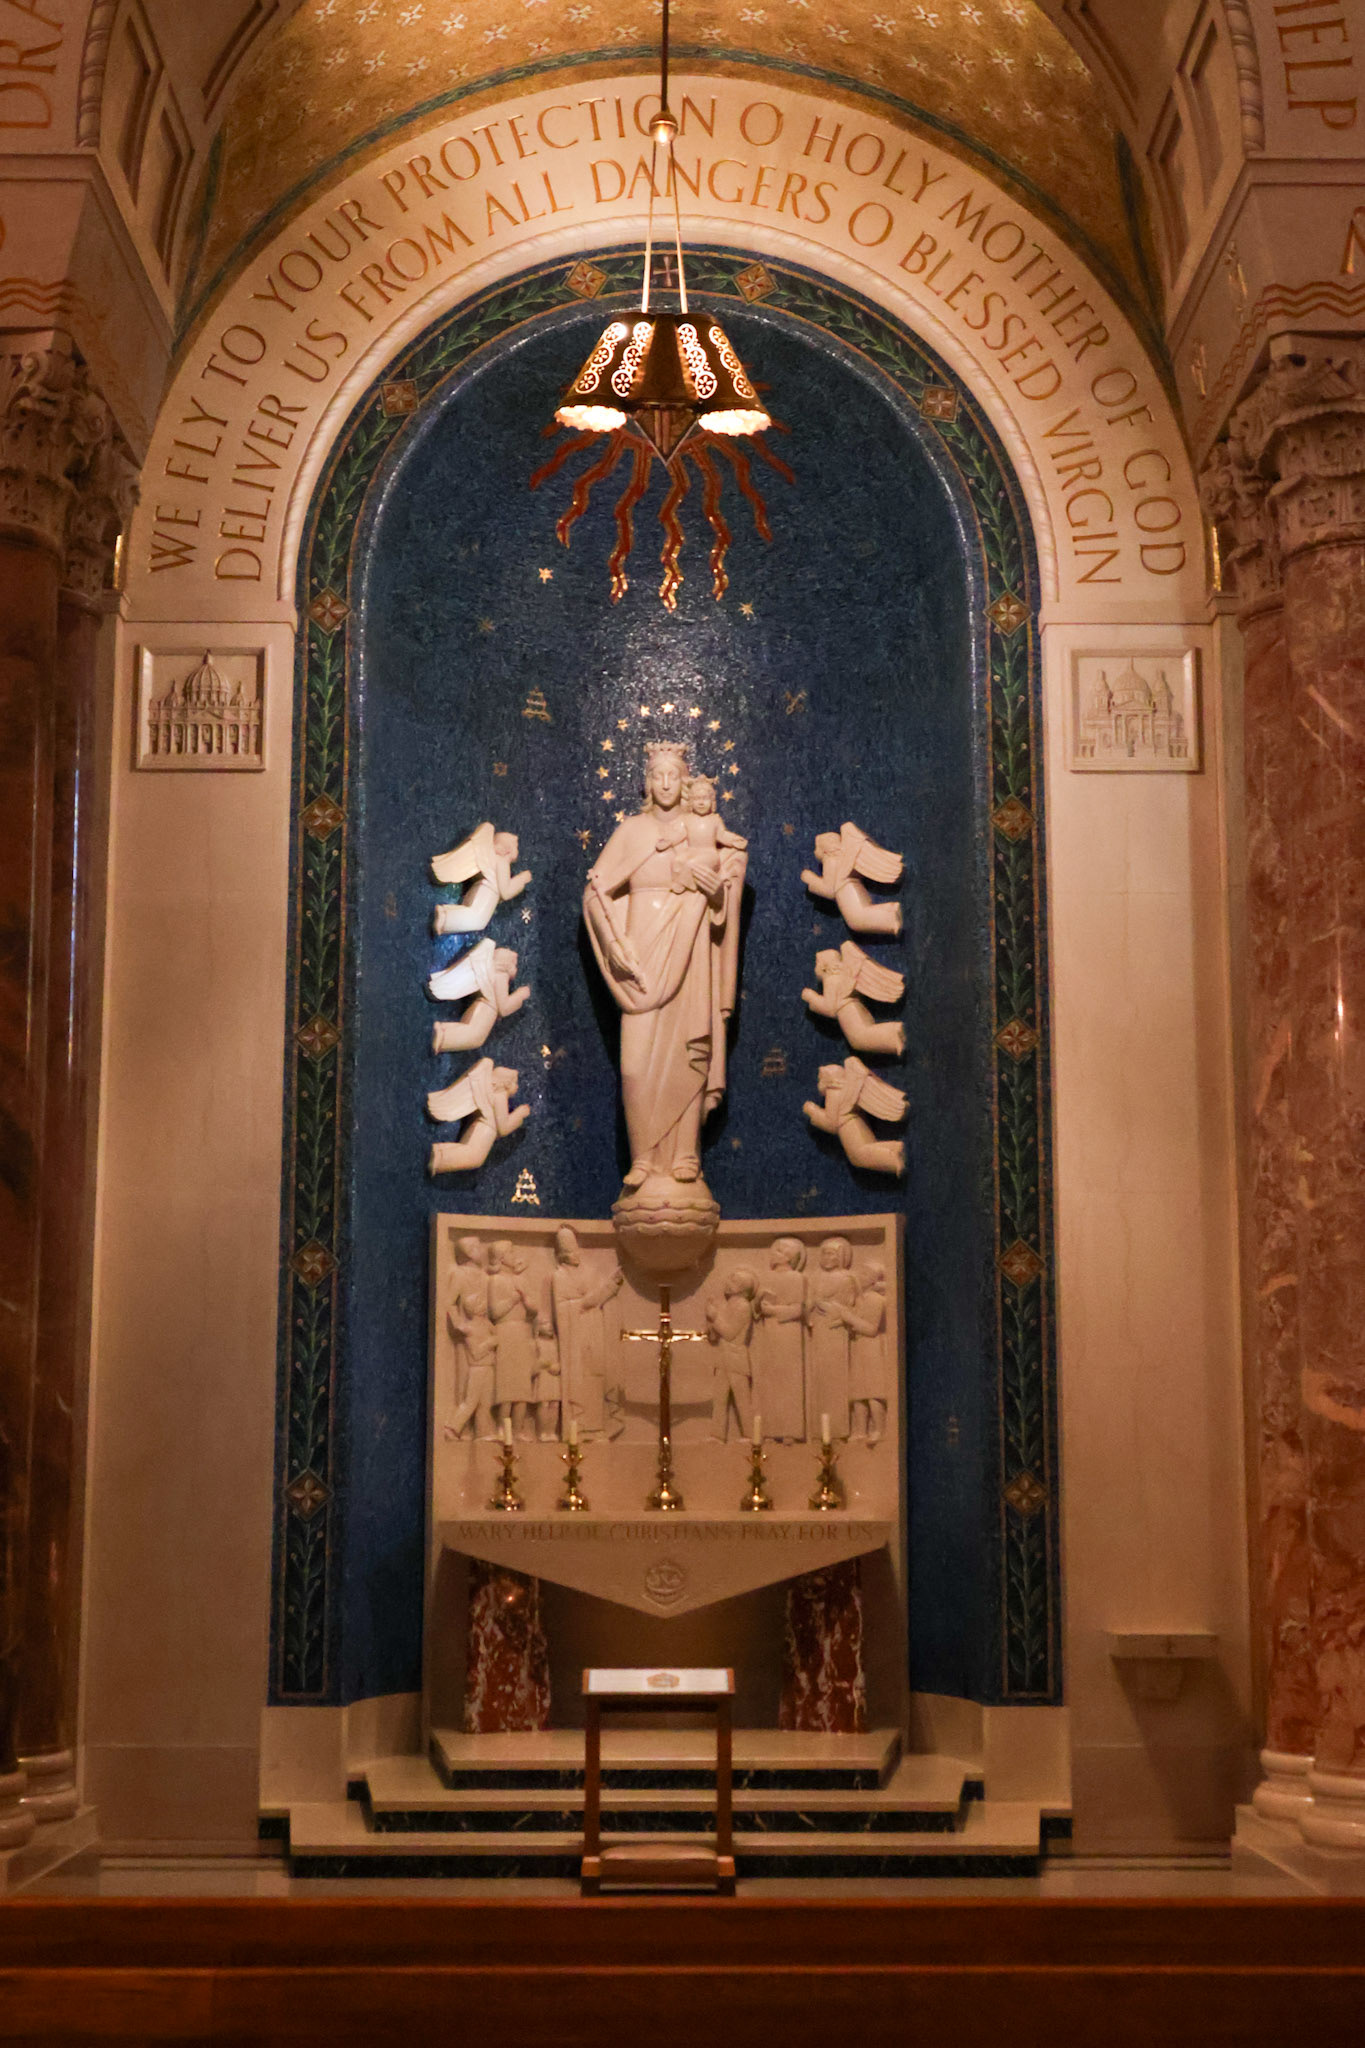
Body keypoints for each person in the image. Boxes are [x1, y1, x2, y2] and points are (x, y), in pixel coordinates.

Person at [583, 743, 747, 1189]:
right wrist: (612, 945)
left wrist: (716, 892)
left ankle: (686, 1153)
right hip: (640, 952)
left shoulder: (702, 831)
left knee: (688, 1051)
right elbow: (596, 892)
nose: (666, 783)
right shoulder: (631, 832)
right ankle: (643, 1156)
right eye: (658, 775)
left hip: (691, 945)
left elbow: (724, 898)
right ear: (647, 783)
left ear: (686, 782)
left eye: (674, 775)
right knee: (634, 1065)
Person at [543, 1226, 624, 1438]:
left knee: (596, 1378)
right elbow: (569, 1307)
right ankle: (578, 1428)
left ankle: (596, 1427)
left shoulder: (589, 1273)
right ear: (563, 1255)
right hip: (574, 1340)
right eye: (571, 1252)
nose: (576, 1255)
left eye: (576, 1250)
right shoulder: (559, 1277)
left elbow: (592, 1301)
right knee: (580, 1382)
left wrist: (609, 1288)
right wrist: (607, 1289)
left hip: (593, 1334)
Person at [753, 1237, 808, 1440]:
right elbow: (756, 1310)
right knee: (770, 1381)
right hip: (769, 1333)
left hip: (789, 1334)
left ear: (788, 1257)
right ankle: (770, 1430)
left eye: (778, 1251)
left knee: (789, 1380)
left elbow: (797, 1310)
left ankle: (790, 1432)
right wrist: (759, 1302)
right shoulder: (766, 1277)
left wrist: (773, 1310)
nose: (773, 1254)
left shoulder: (796, 1278)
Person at [487, 1240, 538, 1440]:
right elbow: (494, 1312)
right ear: (501, 1258)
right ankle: (503, 1429)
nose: (514, 1255)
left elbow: (534, 1309)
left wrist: (526, 1299)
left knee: (522, 1387)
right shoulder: (495, 1281)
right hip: (505, 1332)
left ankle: (518, 1430)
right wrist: (512, 1300)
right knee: (506, 1386)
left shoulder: (521, 1280)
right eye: (510, 1252)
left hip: (522, 1332)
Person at [807, 1236, 857, 1439]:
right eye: (824, 1253)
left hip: (836, 1332)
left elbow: (850, 1307)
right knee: (819, 1378)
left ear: (841, 1257)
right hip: (818, 1331)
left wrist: (830, 1307)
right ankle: (818, 1430)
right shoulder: (815, 1277)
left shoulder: (846, 1279)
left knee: (835, 1379)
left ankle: (838, 1429)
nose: (827, 1257)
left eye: (832, 1254)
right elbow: (809, 1303)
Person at [446, 1239, 496, 1439]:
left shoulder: (484, 1276)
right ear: (467, 1253)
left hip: (483, 1328)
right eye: (474, 1247)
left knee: (485, 1397)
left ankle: (482, 1431)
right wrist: (459, 1325)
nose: (480, 1250)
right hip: (469, 1336)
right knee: (466, 1386)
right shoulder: (460, 1274)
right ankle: (460, 1429)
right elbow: (449, 1303)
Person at [706, 1268, 758, 1441]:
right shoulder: (728, 1305)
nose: (728, 1283)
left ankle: (750, 1435)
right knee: (719, 1399)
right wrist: (710, 1321)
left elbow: (729, 1333)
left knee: (742, 1399)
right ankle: (717, 1435)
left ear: (743, 1288)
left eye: (734, 1281)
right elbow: (715, 1336)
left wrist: (715, 1317)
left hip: (736, 1359)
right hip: (723, 1358)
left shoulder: (743, 1306)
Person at [846, 1261, 889, 1444]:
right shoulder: (860, 1300)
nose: (859, 1277)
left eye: (864, 1275)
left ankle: (879, 1429)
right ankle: (860, 1431)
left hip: (872, 1348)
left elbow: (871, 1329)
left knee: (873, 1390)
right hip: (859, 1347)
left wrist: (848, 1317)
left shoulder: (876, 1300)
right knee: (858, 1393)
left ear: (872, 1280)